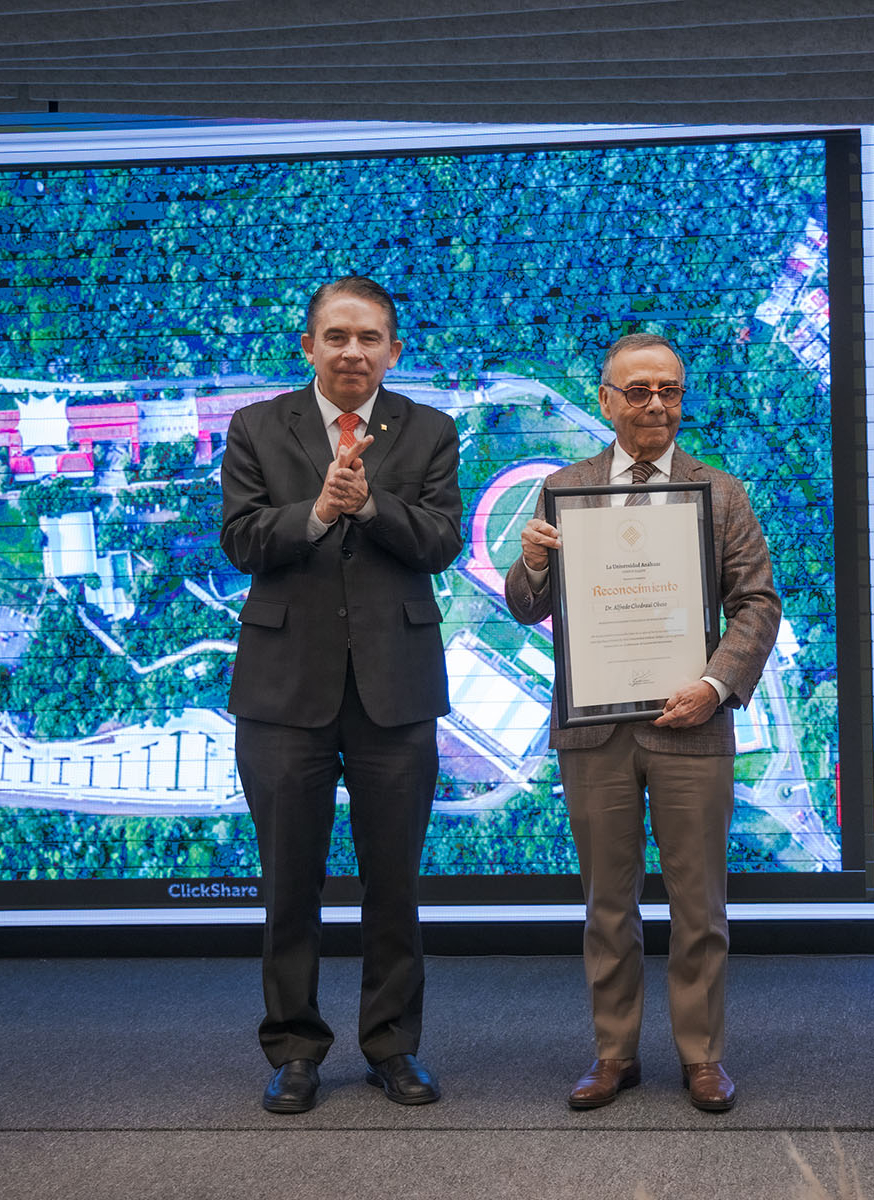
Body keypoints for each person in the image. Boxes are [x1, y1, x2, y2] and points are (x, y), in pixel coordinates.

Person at [504, 332, 780, 1113]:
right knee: (607, 905)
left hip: (692, 725)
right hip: (595, 732)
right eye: (638, 390)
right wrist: (531, 560)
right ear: (606, 399)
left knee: (700, 903)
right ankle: (613, 1054)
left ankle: (701, 1056)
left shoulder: (719, 493)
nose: (655, 403)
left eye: (669, 389)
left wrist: (715, 685)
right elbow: (527, 607)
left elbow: (756, 603)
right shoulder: (564, 488)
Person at [220, 275, 463, 1115]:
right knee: (290, 884)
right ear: (309, 346)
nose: (352, 351)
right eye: (336, 336)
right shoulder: (256, 427)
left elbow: (439, 543)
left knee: (392, 884)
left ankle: (393, 1048)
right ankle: (294, 1050)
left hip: (395, 693)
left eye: (369, 338)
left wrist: (372, 505)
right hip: (283, 695)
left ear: (394, 349)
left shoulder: (430, 430)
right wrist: (318, 514)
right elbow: (243, 540)